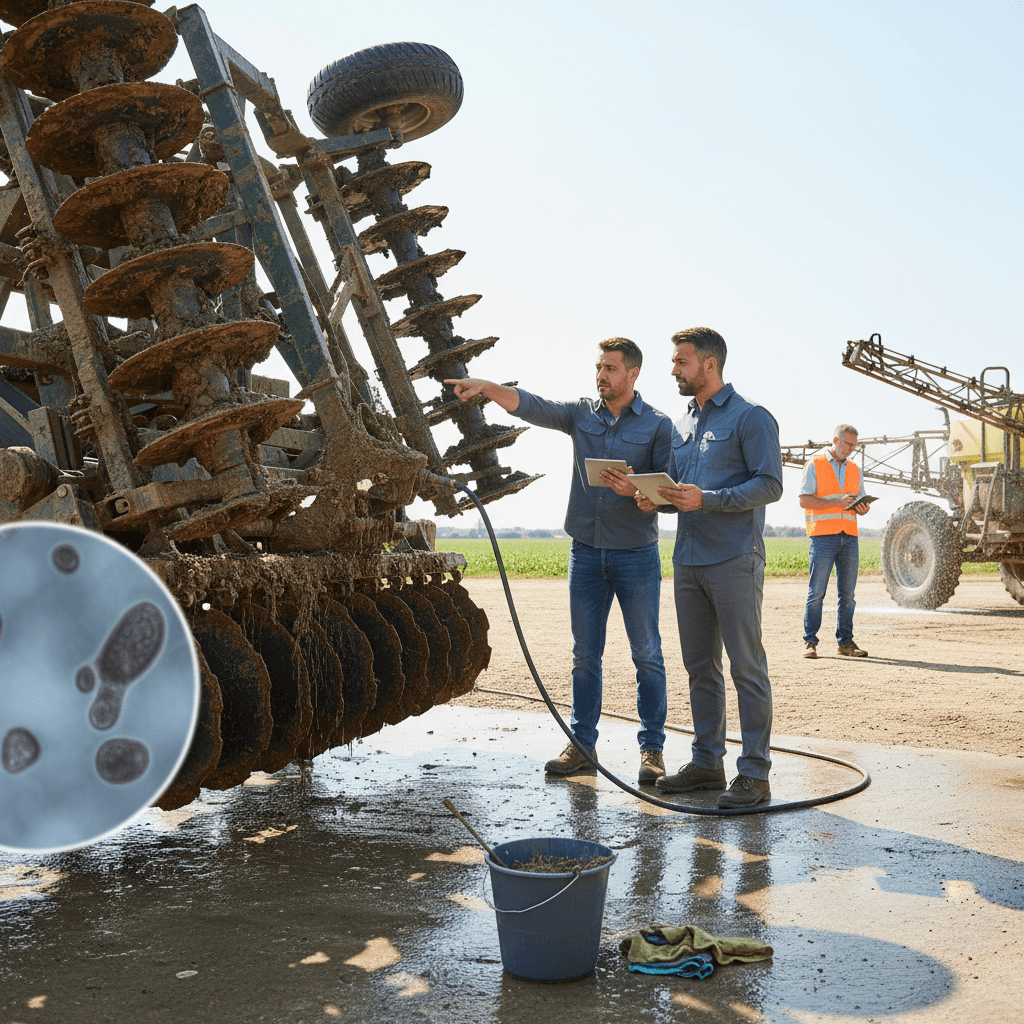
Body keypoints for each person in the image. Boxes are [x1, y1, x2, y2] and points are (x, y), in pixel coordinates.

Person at [444, 338, 675, 784]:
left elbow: (666, 492)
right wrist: (489, 387)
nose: (601, 375)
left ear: (633, 374)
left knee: (647, 654)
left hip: (636, 555)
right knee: (585, 655)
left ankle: (652, 751)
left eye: (609, 368)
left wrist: (640, 495)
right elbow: (534, 405)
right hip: (585, 552)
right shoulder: (581, 414)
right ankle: (582, 745)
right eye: (598, 367)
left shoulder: (659, 425)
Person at [635, 327, 783, 809]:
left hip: (735, 558)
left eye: (681, 361)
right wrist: (654, 499)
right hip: (689, 561)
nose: (674, 369)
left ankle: (755, 775)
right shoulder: (683, 424)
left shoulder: (751, 417)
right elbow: (684, 494)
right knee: (700, 666)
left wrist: (710, 499)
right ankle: (707, 763)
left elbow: (770, 485)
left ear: (709, 364)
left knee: (746, 668)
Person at [799, 425, 872, 659]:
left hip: (849, 536)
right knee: (817, 592)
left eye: (854, 446)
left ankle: (846, 643)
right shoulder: (814, 465)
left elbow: (859, 504)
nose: (852, 449)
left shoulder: (855, 470)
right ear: (835, 440)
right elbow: (804, 500)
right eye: (848, 444)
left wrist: (863, 508)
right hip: (822, 536)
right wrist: (836, 503)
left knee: (848, 595)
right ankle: (810, 642)